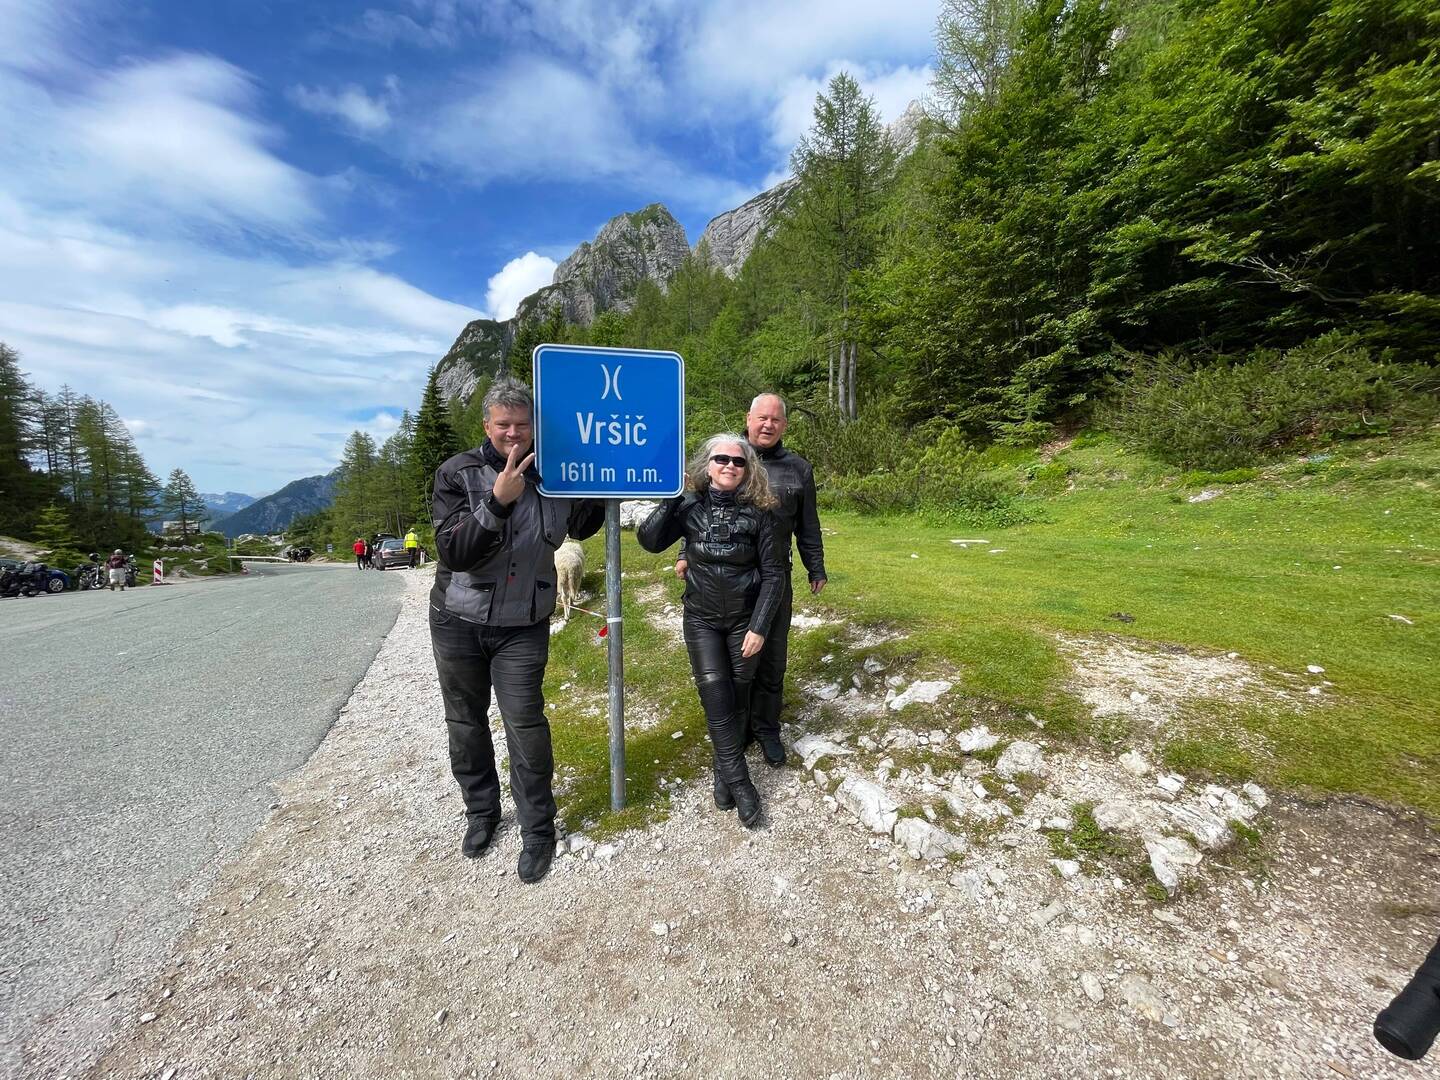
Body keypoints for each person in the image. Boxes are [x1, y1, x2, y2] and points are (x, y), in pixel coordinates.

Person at [430, 378, 604, 883]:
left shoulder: (555, 474)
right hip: (458, 622)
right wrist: (497, 502)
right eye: (503, 424)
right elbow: (454, 552)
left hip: (523, 625)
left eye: (522, 425)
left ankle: (538, 830)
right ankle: (481, 813)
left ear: (534, 427)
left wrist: (597, 475)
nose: (513, 433)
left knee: (526, 725)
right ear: (487, 425)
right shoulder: (458, 473)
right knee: (466, 723)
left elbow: (584, 525)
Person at [638, 434, 785, 828]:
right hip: (701, 619)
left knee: (738, 696)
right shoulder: (689, 507)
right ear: (707, 464)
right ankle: (740, 781)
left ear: (748, 469)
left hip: (744, 621)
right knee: (716, 695)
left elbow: (775, 574)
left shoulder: (762, 512)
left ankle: (723, 774)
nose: (730, 466)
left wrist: (759, 626)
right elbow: (649, 541)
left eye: (738, 461)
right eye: (722, 459)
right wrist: (672, 498)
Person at [675, 394, 826, 766]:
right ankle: (736, 730)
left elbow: (808, 524)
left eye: (775, 419)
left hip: (774, 576)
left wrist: (816, 566)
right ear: (748, 418)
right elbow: (699, 511)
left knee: (772, 658)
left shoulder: (798, 469)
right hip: (729, 580)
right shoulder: (728, 458)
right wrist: (684, 552)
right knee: (735, 664)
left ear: (784, 425)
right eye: (762, 417)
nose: (768, 424)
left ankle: (767, 727)